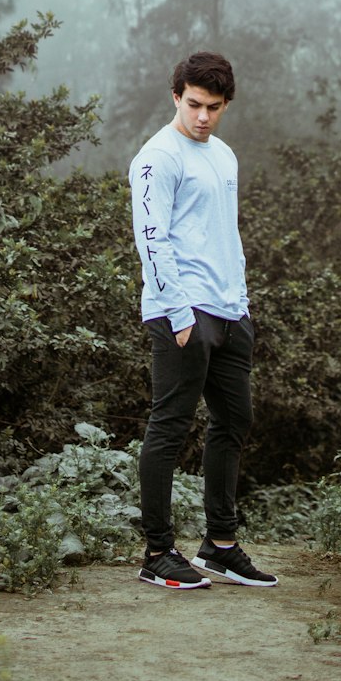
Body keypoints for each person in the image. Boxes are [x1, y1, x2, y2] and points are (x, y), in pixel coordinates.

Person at [129, 50, 278, 590]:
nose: (202, 117)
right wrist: (177, 309)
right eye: (193, 104)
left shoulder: (224, 155)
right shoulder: (157, 158)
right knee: (168, 427)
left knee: (234, 421)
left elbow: (224, 233)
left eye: (214, 107)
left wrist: (241, 304)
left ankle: (219, 545)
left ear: (226, 105)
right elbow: (152, 238)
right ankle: (156, 552)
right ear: (176, 96)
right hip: (182, 311)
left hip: (230, 311)